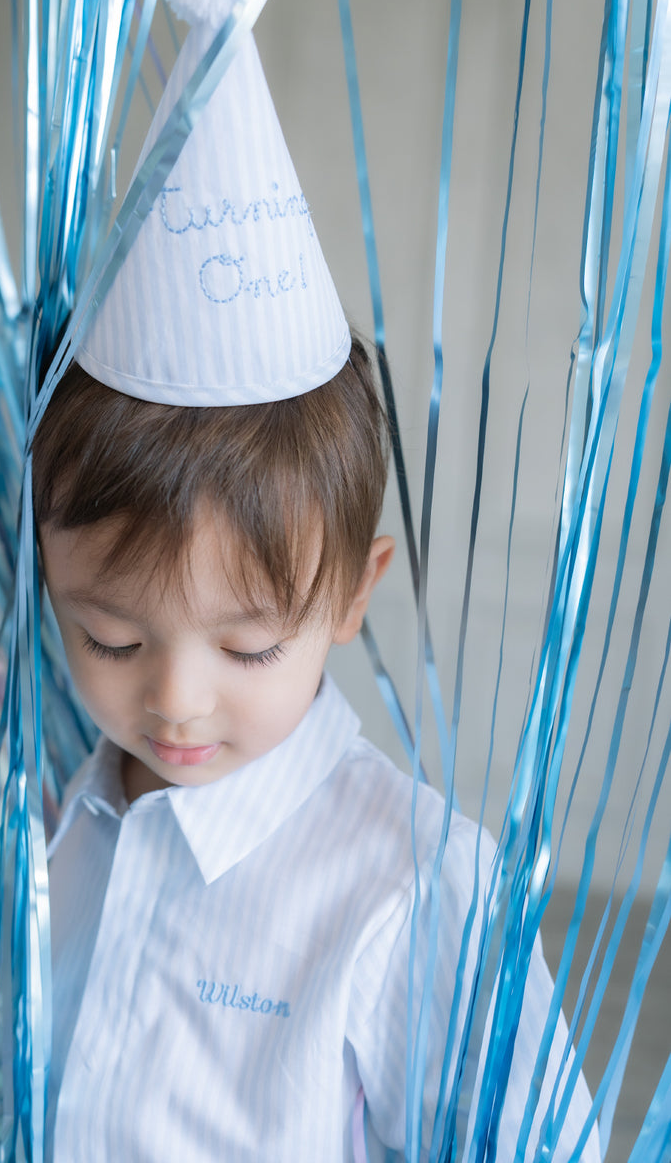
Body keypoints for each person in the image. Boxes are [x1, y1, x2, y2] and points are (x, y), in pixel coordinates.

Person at [33, 339, 599, 1162]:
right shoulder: (65, 816)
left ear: (352, 594)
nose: (176, 703)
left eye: (250, 648)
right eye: (110, 638)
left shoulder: (414, 885)